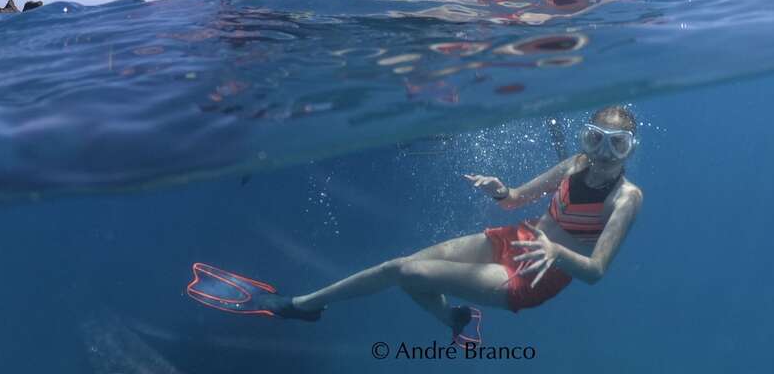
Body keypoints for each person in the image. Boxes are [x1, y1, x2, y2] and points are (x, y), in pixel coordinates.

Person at [186, 106, 643, 342]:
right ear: (586, 139)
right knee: (401, 266)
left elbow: (596, 271)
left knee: (409, 274)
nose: (602, 153)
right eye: (595, 140)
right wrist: (499, 190)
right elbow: (515, 201)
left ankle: (296, 305)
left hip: (539, 273)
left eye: (616, 146)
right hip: (518, 237)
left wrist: (558, 252)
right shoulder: (572, 163)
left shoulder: (626, 198)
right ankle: (449, 317)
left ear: (630, 149)